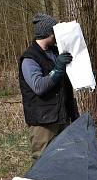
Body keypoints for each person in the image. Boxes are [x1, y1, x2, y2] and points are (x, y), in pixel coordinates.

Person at [18, 13, 79, 159]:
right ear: (48, 33)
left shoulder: (56, 52)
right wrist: (57, 69)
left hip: (62, 118)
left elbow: (65, 85)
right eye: (55, 32)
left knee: (63, 161)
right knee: (43, 163)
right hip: (43, 123)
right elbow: (39, 87)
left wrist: (83, 74)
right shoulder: (29, 58)